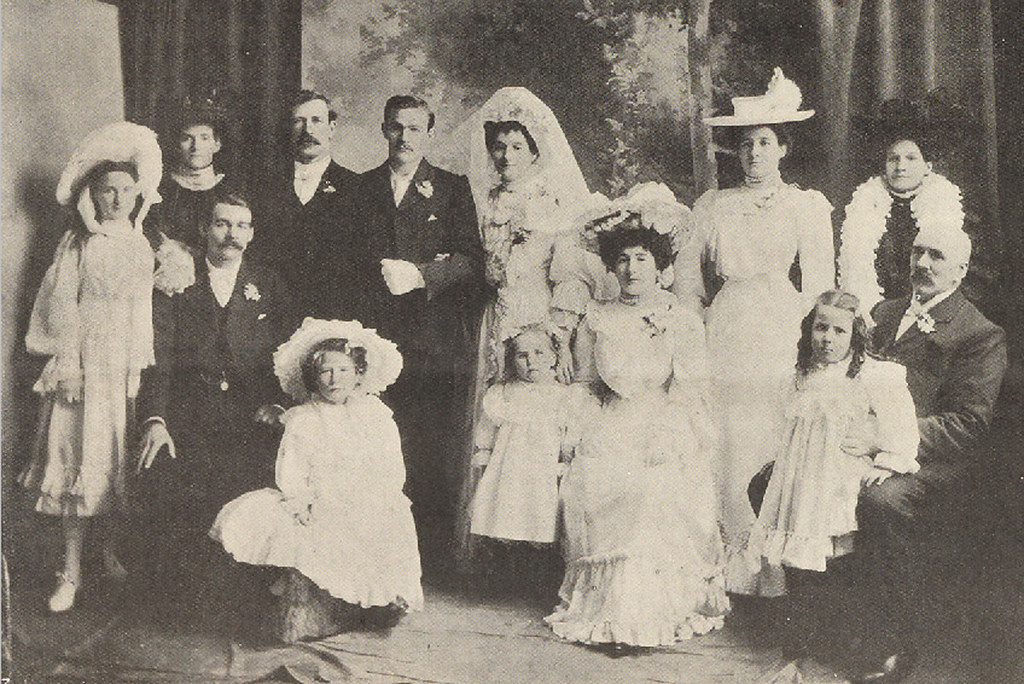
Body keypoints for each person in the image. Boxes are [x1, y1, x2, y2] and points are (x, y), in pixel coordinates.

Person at [545, 199, 728, 650]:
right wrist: (580, 432)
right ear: (611, 266)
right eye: (623, 259)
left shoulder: (681, 320)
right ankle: (609, 608)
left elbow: (689, 390)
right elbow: (587, 384)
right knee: (594, 477)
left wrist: (668, 434)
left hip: (663, 422)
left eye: (642, 258)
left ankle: (647, 612)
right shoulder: (596, 317)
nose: (631, 268)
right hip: (610, 422)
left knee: (651, 487)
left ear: (660, 266)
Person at [685, 67, 835, 594]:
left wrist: (811, 344)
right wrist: (694, 331)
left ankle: (768, 568)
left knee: (769, 432)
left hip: (780, 327)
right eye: (746, 144)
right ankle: (720, 565)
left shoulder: (805, 205)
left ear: (783, 148)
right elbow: (688, 283)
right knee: (725, 435)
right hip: (727, 325)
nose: (754, 153)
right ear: (736, 151)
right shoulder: (712, 206)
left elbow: (819, 284)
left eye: (765, 143)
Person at [846, 223, 1007, 682]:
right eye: (918, 252)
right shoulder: (884, 311)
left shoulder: (980, 333)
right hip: (861, 442)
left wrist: (884, 438)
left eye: (936, 256)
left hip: (930, 459)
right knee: (774, 479)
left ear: (961, 269)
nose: (922, 263)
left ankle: (895, 639)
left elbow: (967, 425)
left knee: (880, 502)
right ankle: (829, 620)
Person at [455, 86, 611, 560]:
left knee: (541, 432)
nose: (506, 156)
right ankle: (491, 546)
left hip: (538, 325)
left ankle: (543, 550)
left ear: (536, 152)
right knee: (493, 424)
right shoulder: (482, 201)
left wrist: (557, 338)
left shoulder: (553, 203)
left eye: (517, 146)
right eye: (499, 147)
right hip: (492, 322)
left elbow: (570, 278)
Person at [18, 122, 162, 612]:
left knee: (115, 462)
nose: (117, 199)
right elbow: (62, 306)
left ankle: (106, 554)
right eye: (108, 191)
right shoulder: (78, 243)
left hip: (122, 367)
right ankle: (70, 570)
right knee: (78, 461)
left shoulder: (141, 244)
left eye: (126, 190)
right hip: (85, 364)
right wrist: (70, 367)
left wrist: (138, 367)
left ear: (138, 195)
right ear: (92, 195)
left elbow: (143, 310)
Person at [210, 318, 422, 641]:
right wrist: (302, 501)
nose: (335, 379)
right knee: (303, 527)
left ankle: (372, 603)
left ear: (358, 373)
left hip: (368, 495)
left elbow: (392, 467)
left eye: (344, 370)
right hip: (321, 496)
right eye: (326, 371)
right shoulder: (304, 418)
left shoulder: (377, 416)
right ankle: (318, 610)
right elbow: (292, 470)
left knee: (387, 519)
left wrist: (379, 495)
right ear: (314, 376)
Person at [135, 190, 294, 601]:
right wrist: (155, 419)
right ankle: (184, 598)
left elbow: (289, 355)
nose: (231, 235)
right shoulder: (178, 278)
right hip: (189, 415)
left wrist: (279, 404)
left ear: (252, 233)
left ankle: (244, 595)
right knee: (174, 482)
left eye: (242, 226)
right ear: (204, 228)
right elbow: (159, 355)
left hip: (251, 416)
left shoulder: (269, 283)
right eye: (222, 224)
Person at [349, 95, 483, 570]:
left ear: (428, 133)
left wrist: (423, 274)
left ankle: (428, 560)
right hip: (373, 336)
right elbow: (341, 261)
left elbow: (471, 261)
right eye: (396, 127)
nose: (404, 138)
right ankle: (374, 556)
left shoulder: (451, 189)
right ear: (383, 130)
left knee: (428, 444)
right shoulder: (359, 188)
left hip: (431, 340)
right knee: (375, 443)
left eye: (414, 129)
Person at [745, 290, 919, 657]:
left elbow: (903, 430)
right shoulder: (799, 376)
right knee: (796, 543)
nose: (828, 338)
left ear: (855, 336)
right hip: (802, 473)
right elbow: (784, 427)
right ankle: (806, 623)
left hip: (840, 474)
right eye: (821, 328)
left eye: (840, 331)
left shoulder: (873, 376)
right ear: (809, 330)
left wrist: (884, 456)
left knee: (835, 548)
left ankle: (839, 627)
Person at [468, 326, 593, 549]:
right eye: (522, 356)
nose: (531, 362)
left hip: (542, 470)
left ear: (554, 357)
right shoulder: (504, 392)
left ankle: (534, 558)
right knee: (505, 515)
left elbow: (570, 432)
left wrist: (564, 461)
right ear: (512, 360)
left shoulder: (562, 395)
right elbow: (486, 431)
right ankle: (505, 554)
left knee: (538, 517)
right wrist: (484, 455)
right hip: (508, 470)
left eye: (539, 353)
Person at [838, 102, 964, 317]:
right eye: (893, 158)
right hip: (873, 315)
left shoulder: (947, 205)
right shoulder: (863, 204)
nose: (900, 167)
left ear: (928, 166)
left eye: (911, 158)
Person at [259, 90, 358, 318]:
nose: (308, 130)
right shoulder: (264, 186)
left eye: (316, 121)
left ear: (331, 128)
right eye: (299, 121)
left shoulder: (356, 187)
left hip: (336, 314)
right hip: (275, 312)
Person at [146, 90, 233, 254]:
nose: (196, 147)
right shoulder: (160, 191)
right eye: (187, 138)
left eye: (204, 138)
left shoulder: (230, 190)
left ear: (217, 144)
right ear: (177, 145)